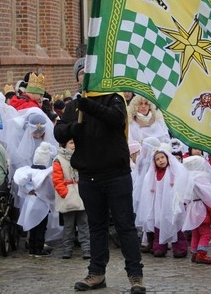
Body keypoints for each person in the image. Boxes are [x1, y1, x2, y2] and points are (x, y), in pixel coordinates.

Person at [54, 57, 145, 294]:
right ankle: (97, 272)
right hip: (89, 175)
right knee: (96, 227)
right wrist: (73, 127)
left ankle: (135, 275)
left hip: (116, 174)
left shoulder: (113, 98)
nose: (85, 76)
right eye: (81, 73)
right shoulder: (74, 107)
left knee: (125, 226)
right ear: (77, 79)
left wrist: (90, 106)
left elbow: (116, 119)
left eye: (89, 72)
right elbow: (59, 131)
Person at [135, 144, 188, 259]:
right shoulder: (153, 174)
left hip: (171, 204)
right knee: (158, 226)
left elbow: (183, 181)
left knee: (176, 226)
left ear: (167, 158)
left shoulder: (174, 170)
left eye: (162, 157)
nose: (160, 161)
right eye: (157, 159)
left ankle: (179, 248)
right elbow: (148, 190)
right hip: (158, 205)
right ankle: (159, 247)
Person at [14, 142, 55, 257]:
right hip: (41, 202)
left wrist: (28, 190)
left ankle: (32, 248)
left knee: (33, 226)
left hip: (30, 202)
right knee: (41, 226)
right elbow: (50, 189)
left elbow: (21, 183)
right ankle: (39, 248)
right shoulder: (46, 174)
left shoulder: (27, 172)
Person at [52, 138, 90, 260]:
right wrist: (65, 194)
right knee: (68, 225)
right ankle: (67, 249)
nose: (74, 145)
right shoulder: (59, 159)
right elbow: (57, 180)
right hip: (68, 195)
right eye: (71, 143)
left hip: (80, 193)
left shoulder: (83, 156)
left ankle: (86, 248)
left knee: (84, 223)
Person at [182, 155, 211, 264]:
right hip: (201, 208)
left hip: (192, 207)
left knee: (196, 233)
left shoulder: (188, 178)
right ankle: (201, 254)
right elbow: (208, 197)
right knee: (205, 233)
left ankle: (194, 253)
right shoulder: (200, 178)